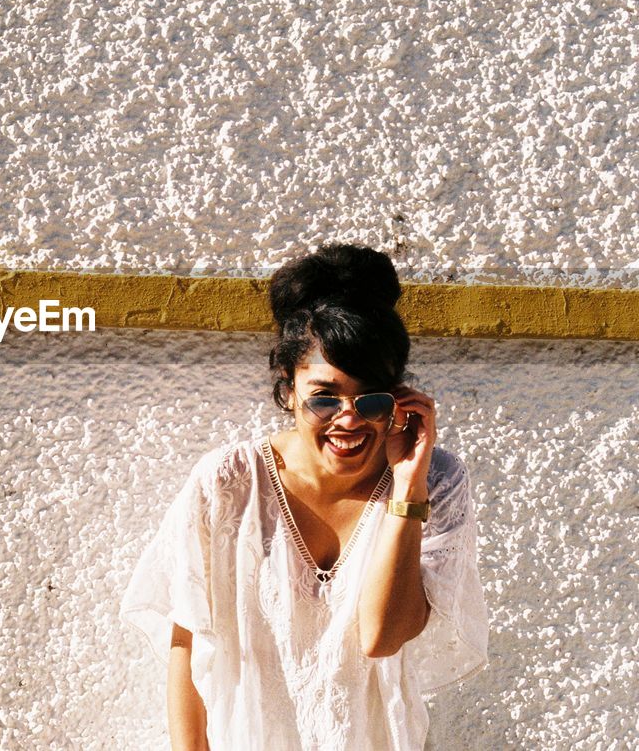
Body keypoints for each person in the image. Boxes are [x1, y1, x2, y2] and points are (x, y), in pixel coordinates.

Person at [119, 243, 489, 750]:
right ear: (288, 389)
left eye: (372, 396)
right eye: (324, 396)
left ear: (399, 397)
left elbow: (382, 637)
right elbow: (188, 644)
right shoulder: (229, 484)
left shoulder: (435, 481)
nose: (349, 418)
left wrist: (407, 487)